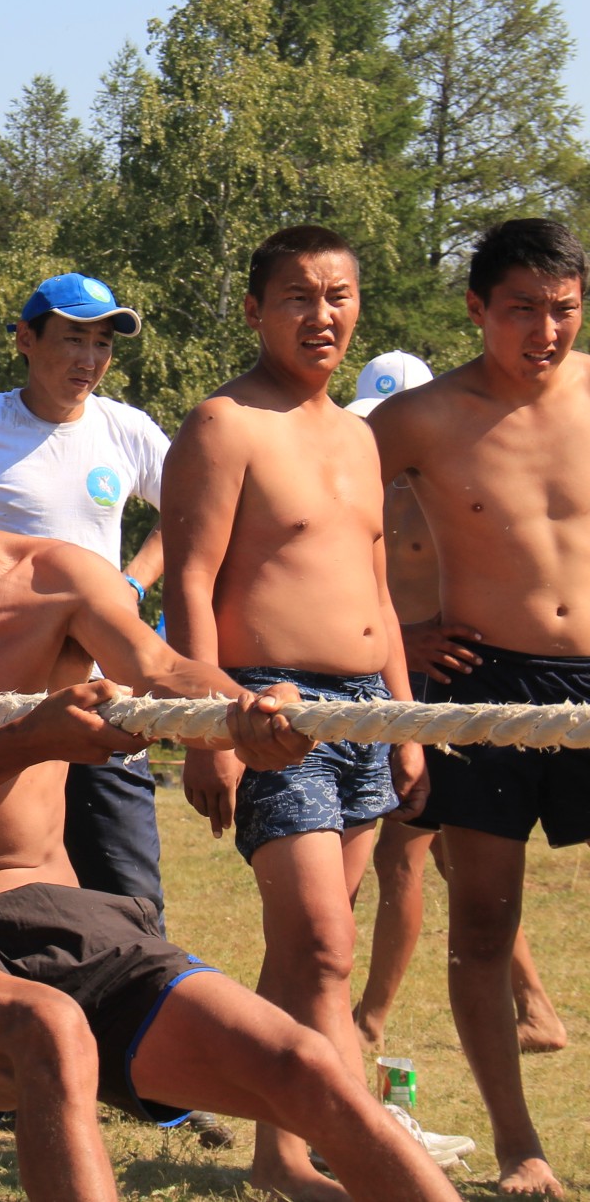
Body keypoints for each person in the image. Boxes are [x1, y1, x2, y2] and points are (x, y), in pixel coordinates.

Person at [0, 339, 460, 1202]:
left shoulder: (60, 575)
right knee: (51, 1030)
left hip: (74, 919)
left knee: (307, 1064)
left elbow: (161, 666)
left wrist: (237, 710)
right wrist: (28, 738)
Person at [162, 226, 468, 1196]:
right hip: (269, 713)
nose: (319, 314)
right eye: (296, 296)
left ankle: (274, 1156)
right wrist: (207, 727)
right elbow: (187, 583)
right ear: (254, 311)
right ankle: (361, 1148)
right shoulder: (222, 426)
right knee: (324, 948)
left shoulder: (357, 437)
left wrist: (401, 717)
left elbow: (376, 588)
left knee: (307, 951)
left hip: (363, 715)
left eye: (336, 295)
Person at [369, 217, 590, 1199]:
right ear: (474, 310)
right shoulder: (419, 417)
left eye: (562, 312)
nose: (543, 333)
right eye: (521, 313)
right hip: (479, 676)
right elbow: (312, 513)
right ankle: (516, 1142)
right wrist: (394, 633)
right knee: (482, 920)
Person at [344, 352, 567, 1059]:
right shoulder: (382, 487)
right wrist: (394, 640)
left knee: (412, 855)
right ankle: (531, 1004)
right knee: (446, 860)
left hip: (449, 680)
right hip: (393, 671)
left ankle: (371, 1019)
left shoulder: (468, 474)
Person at [0, 273, 171, 919]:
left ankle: (138, 1006)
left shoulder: (126, 429)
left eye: (103, 343)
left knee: (129, 888)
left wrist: (134, 580)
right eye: (74, 339)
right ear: (26, 339)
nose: (90, 359)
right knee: (3, 878)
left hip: (103, 692)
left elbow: (195, 510)